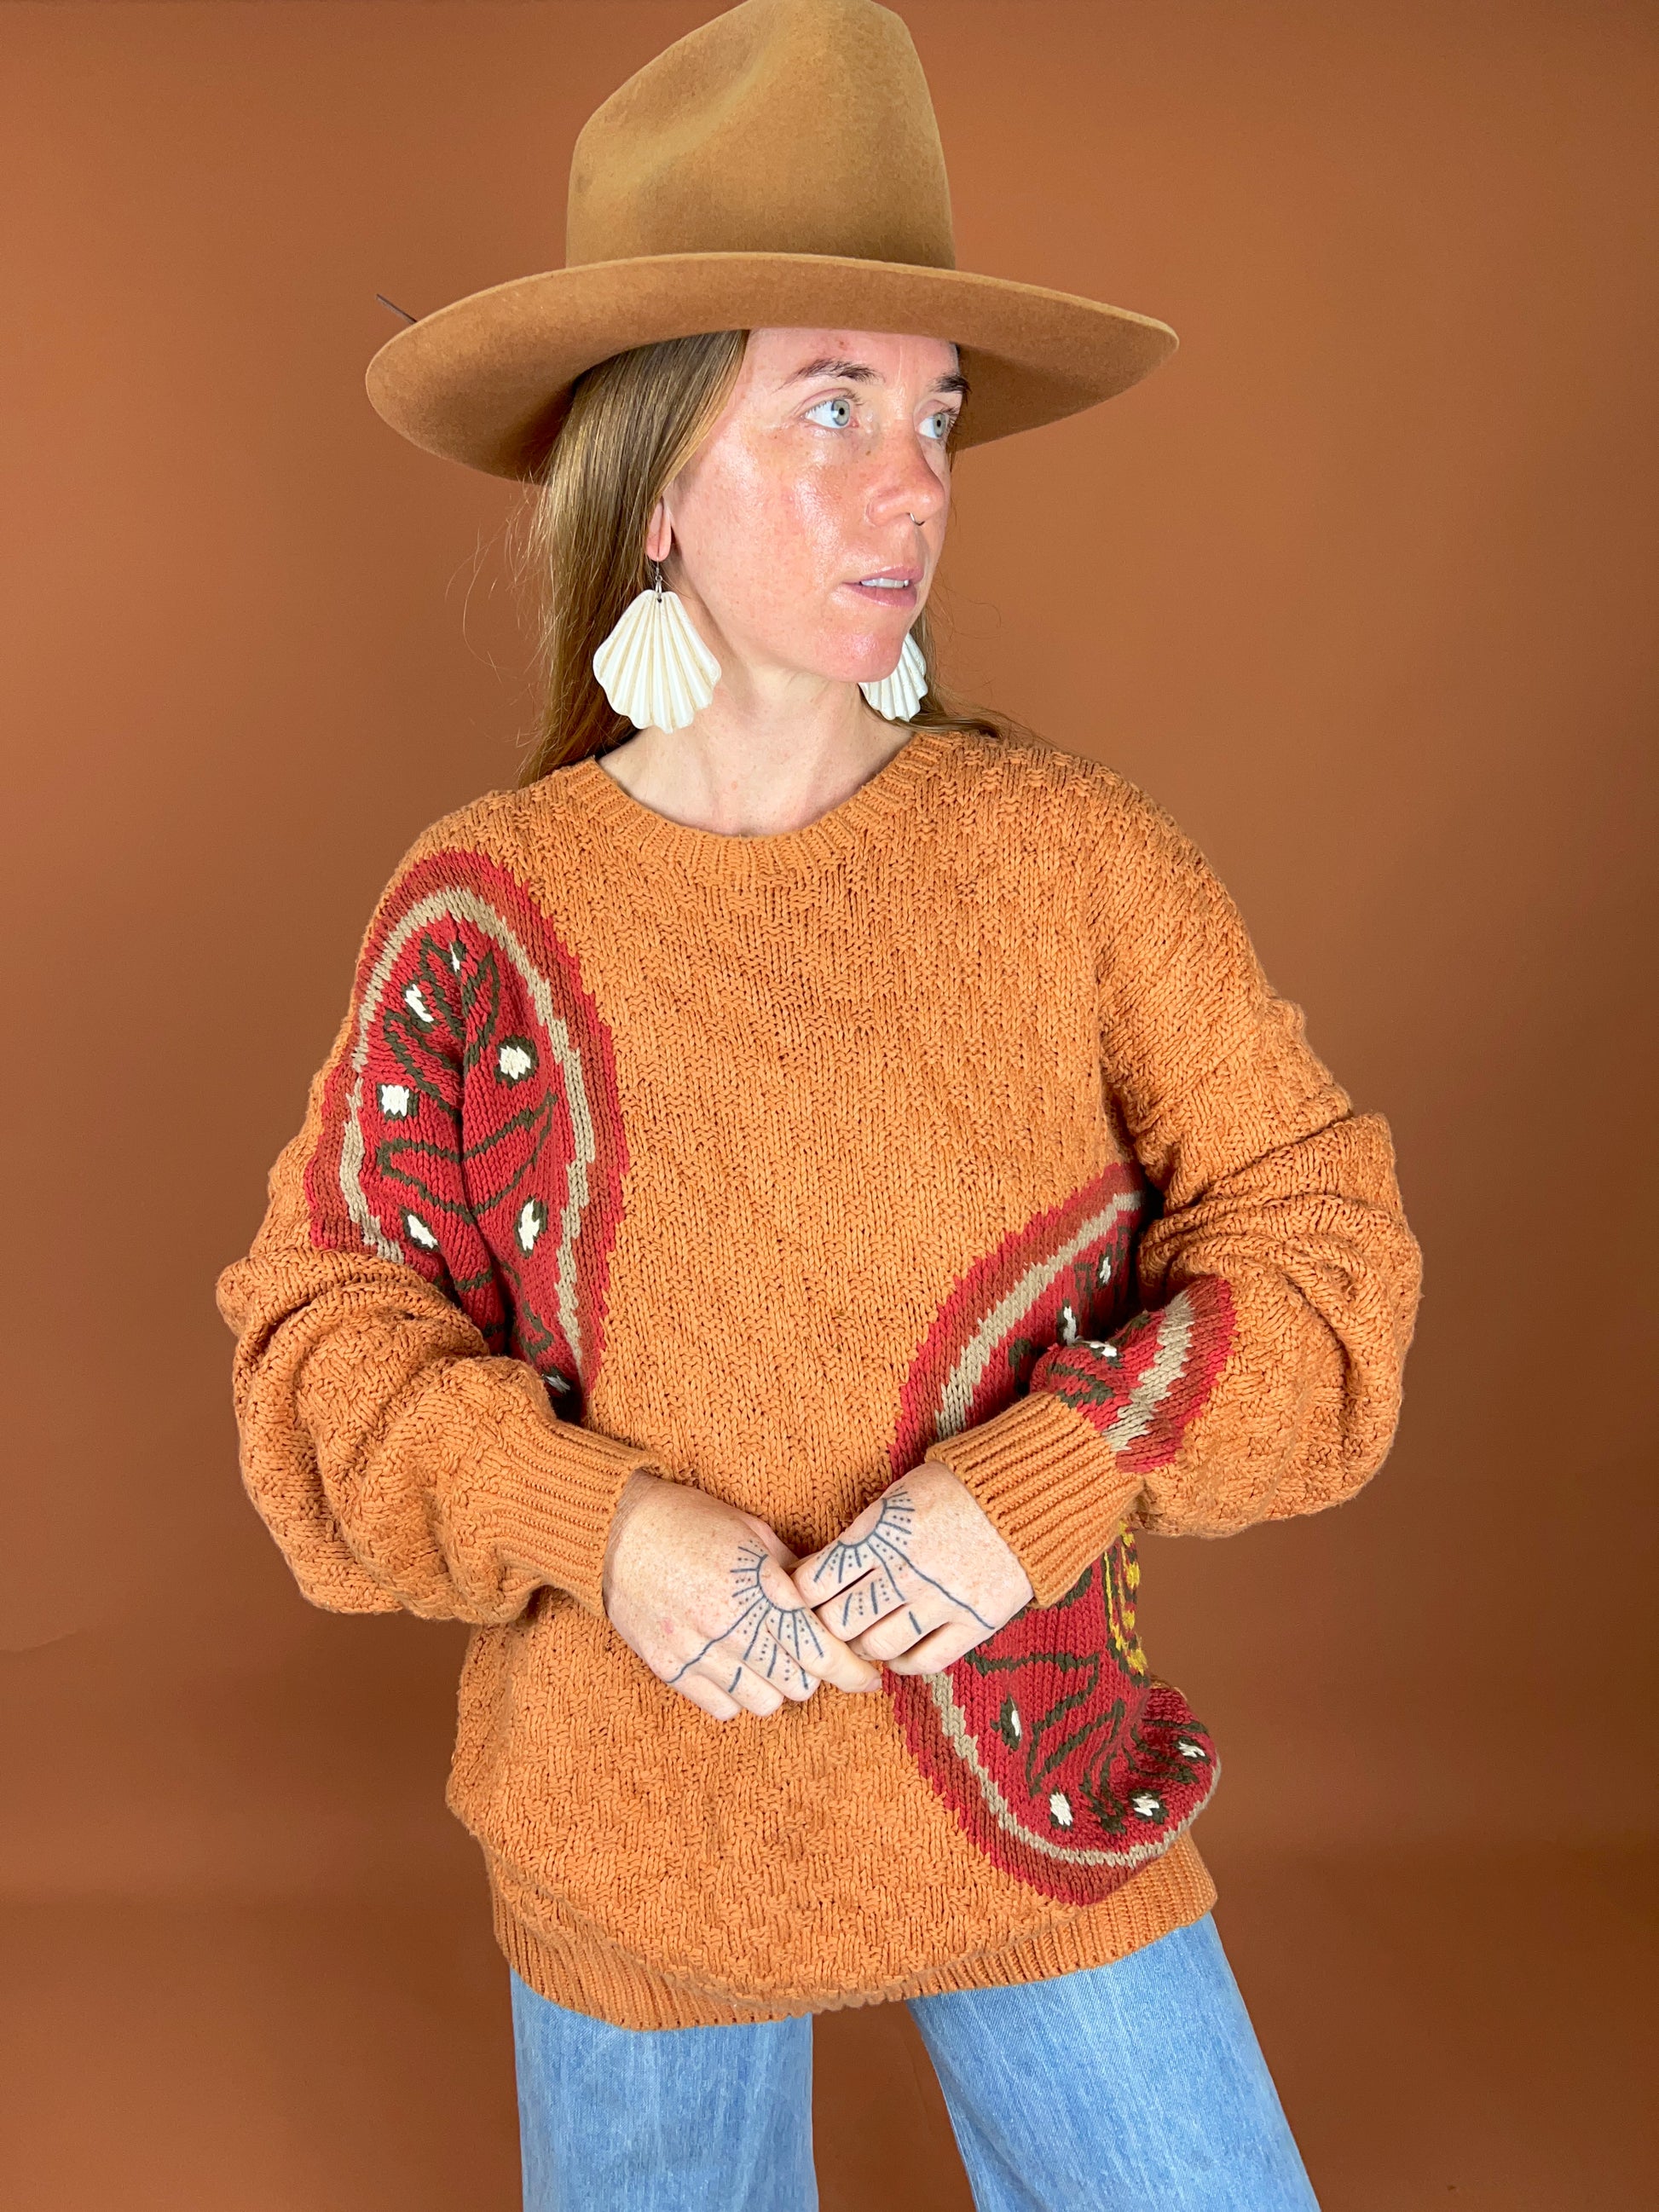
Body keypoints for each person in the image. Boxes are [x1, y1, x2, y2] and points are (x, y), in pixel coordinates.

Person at [215, 3, 1422, 2206]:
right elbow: (325, 1348)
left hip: (1034, 1793)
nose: (912, 482)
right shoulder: (487, 909)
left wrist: (1044, 1481)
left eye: (935, 414)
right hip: (633, 1827)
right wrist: (598, 1522)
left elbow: (1322, 1250)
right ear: (655, 480)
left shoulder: (1071, 859)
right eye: (832, 405)